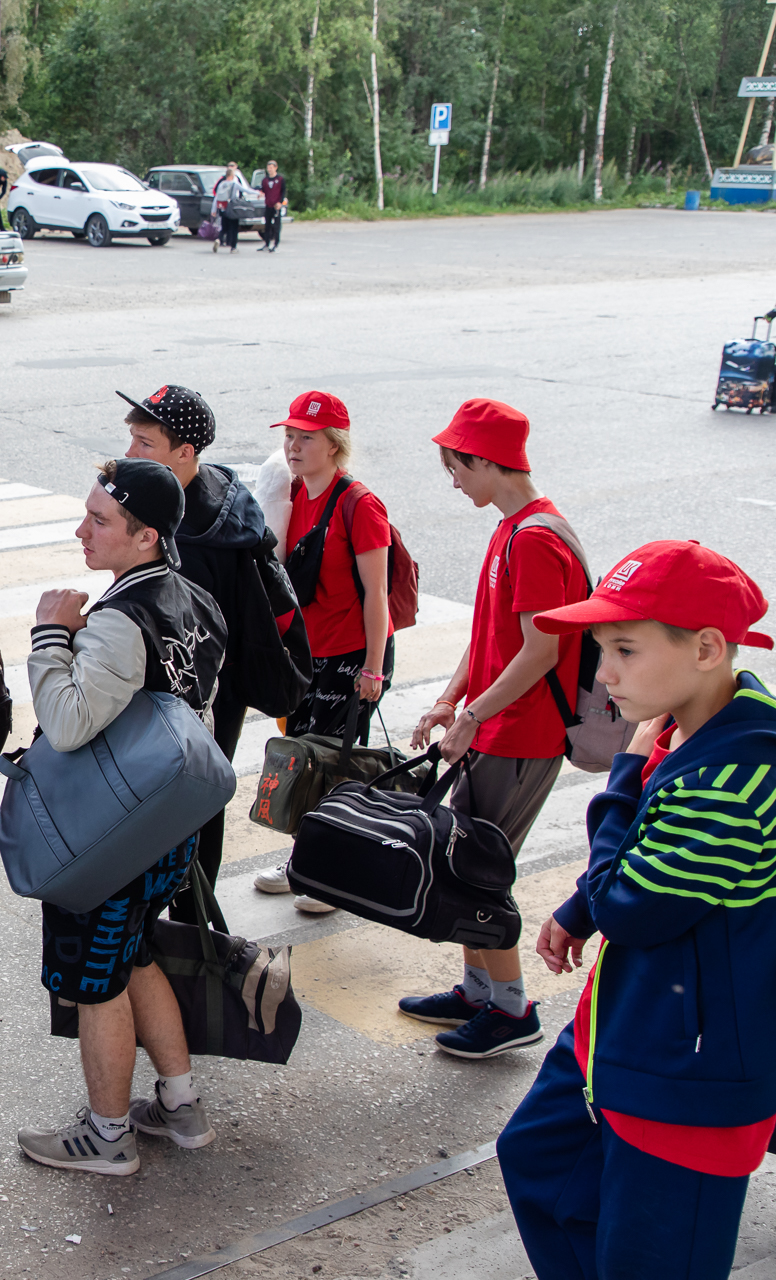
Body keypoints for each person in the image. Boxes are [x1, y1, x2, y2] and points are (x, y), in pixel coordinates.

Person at [499, 540, 776, 1280]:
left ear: (709, 649)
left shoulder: (732, 776)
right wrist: (578, 908)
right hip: (627, 1035)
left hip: (689, 1078)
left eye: (624, 649)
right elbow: (632, 882)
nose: (603, 674)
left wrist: (624, 768)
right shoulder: (697, 725)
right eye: (599, 649)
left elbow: (632, 908)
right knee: (539, 1160)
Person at [17, 458, 228, 1175]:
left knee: (96, 983)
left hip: (115, 836)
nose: (82, 530)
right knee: (137, 953)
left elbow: (70, 724)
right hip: (171, 826)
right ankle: (180, 1105)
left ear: (146, 538)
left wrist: (50, 634)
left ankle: (107, 1136)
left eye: (100, 520)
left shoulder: (117, 621)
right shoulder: (195, 598)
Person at [397, 401, 588, 1058]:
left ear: (483, 460)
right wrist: (451, 698)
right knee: (463, 867)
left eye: (456, 467)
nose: (453, 481)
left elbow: (540, 650)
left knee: (479, 875)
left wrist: (475, 713)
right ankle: (478, 989)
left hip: (520, 733)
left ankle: (511, 1010)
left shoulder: (534, 538)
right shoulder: (513, 528)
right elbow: (491, 639)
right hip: (493, 727)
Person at [119, 384, 294, 909]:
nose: (131, 453)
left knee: (197, 801)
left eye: (145, 443)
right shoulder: (200, 494)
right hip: (180, 692)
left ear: (185, 453)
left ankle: (190, 924)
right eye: (131, 439)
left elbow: (195, 635)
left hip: (205, 694)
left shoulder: (201, 531)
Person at [254, 390, 392, 913]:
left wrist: (374, 670)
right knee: (300, 759)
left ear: (334, 445)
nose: (292, 446)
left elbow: (376, 594)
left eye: (305, 437)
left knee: (332, 767)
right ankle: (304, 862)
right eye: (288, 436)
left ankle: (326, 876)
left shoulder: (360, 504)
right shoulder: (292, 494)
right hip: (306, 655)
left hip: (353, 655)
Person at [213, 161, 246, 254]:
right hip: (233, 206)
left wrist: (215, 208)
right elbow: (242, 191)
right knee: (234, 227)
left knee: (224, 226)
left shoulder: (222, 181)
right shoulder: (235, 181)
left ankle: (219, 240)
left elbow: (216, 193)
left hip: (223, 207)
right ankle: (233, 247)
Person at [258, 160, 286, 253]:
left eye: (271, 167)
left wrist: (280, 202)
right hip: (268, 205)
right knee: (267, 225)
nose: (269, 169)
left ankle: (276, 244)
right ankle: (266, 243)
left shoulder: (280, 179)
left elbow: (283, 192)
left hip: (276, 205)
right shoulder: (265, 180)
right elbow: (263, 190)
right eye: (268, 167)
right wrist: (260, 193)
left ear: (275, 168)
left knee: (277, 225)